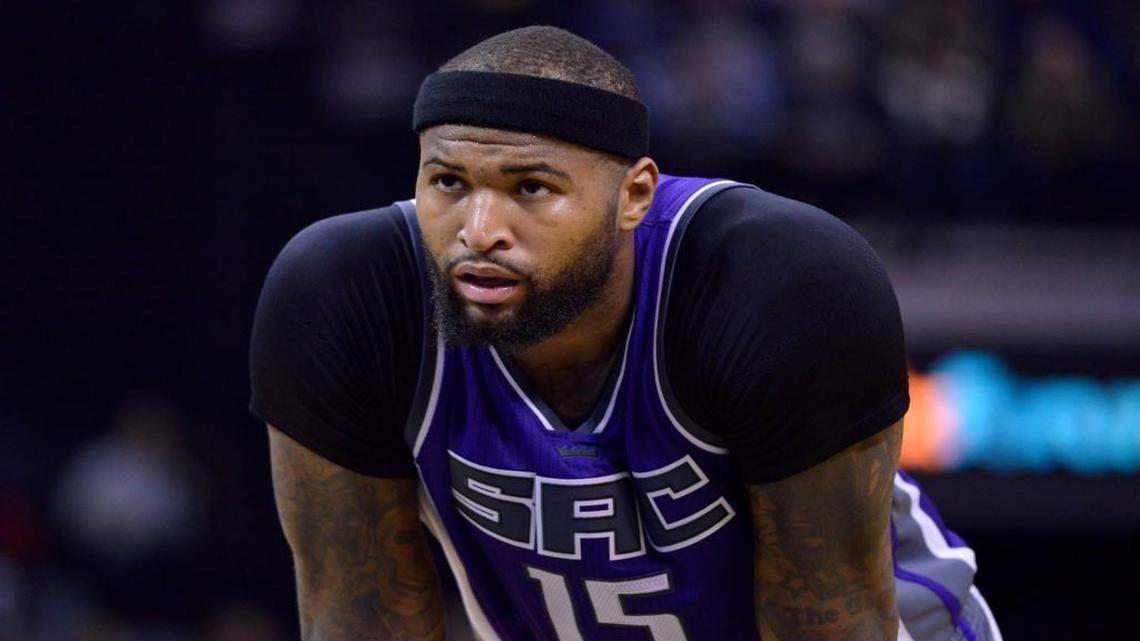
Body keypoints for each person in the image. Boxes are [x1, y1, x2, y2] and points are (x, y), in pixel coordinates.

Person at [250, 26, 1002, 641]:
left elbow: (833, 624)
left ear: (634, 195)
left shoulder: (777, 283)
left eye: (531, 188)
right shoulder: (348, 297)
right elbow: (360, 621)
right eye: (448, 183)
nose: (479, 232)